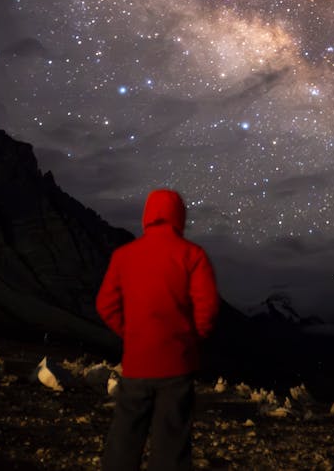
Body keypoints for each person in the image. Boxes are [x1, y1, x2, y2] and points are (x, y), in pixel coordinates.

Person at [96, 188, 220, 471]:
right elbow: (208, 306)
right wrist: (192, 338)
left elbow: (105, 304)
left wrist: (130, 334)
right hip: (177, 364)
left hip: (137, 363)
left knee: (124, 437)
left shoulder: (125, 256)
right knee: (171, 443)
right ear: (180, 217)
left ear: (147, 216)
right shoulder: (192, 256)